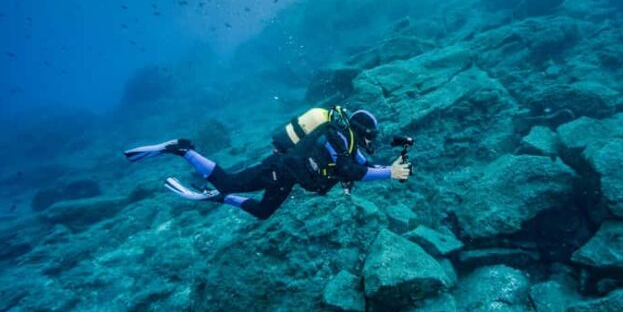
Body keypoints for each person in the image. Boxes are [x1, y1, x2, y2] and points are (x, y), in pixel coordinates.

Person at [123, 107, 412, 220]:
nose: (371, 140)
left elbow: (362, 164)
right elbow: (353, 171)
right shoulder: (336, 136)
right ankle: (182, 149)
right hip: (279, 168)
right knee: (228, 180)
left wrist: (389, 166)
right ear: (361, 130)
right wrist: (390, 173)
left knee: (262, 211)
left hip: (288, 178)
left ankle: (220, 199)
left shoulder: (346, 142)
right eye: (370, 135)